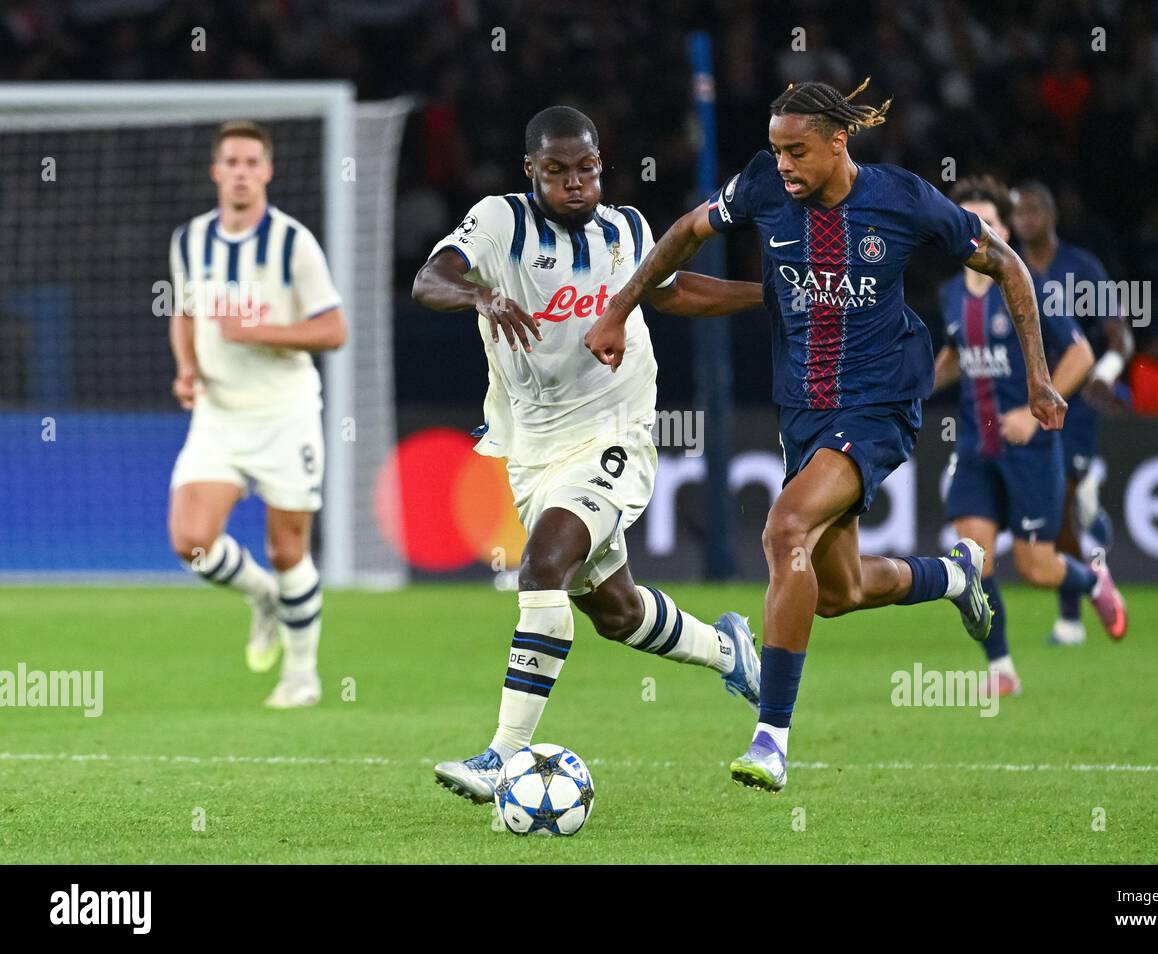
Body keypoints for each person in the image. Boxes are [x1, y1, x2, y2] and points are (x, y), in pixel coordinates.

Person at [585, 79, 1067, 792]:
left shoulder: (901, 199)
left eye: (797, 151)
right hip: (802, 412)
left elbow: (1007, 264)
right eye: (776, 149)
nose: (782, 164)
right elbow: (688, 231)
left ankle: (772, 740)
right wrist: (621, 307)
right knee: (836, 591)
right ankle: (957, 574)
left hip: (878, 405)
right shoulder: (762, 188)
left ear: (840, 142)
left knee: (785, 532)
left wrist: (1039, 377)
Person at [412, 106, 765, 804]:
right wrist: (481, 293)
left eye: (588, 169)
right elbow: (430, 280)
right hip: (531, 447)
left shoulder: (627, 229)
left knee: (543, 562)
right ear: (530, 171)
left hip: (615, 434)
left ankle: (501, 759)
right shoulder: (500, 222)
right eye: (558, 171)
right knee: (617, 612)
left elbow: (674, 291)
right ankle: (729, 649)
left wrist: (769, 297)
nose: (576, 184)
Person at [167, 121, 348, 708]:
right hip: (219, 414)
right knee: (191, 540)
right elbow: (185, 312)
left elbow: (334, 329)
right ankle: (262, 597)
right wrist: (187, 369)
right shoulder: (190, 240)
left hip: (285, 413)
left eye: (252, 162)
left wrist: (259, 330)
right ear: (216, 171)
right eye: (232, 161)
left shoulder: (294, 243)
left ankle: (301, 675)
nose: (242, 171)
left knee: (287, 548)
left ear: (267, 171)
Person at [933, 176, 1123, 698]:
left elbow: (1081, 355)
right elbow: (955, 353)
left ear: (1004, 232)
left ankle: (1092, 582)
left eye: (987, 225)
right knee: (972, 561)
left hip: (1030, 448)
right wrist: (917, 385)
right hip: (975, 445)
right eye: (966, 226)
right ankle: (1002, 670)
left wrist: (1034, 412)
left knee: (1038, 567)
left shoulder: (1026, 285)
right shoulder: (950, 294)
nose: (976, 236)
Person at [1012, 181, 1132, 644]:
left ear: (1053, 213)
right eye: (1018, 211)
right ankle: (1091, 526)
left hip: (1076, 406)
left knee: (1060, 503)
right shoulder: (1008, 267)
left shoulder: (1081, 269)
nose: (1026, 218)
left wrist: (1107, 370)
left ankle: (1070, 616)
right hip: (1024, 405)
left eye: (1035, 208)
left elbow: (1121, 335)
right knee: (1056, 509)